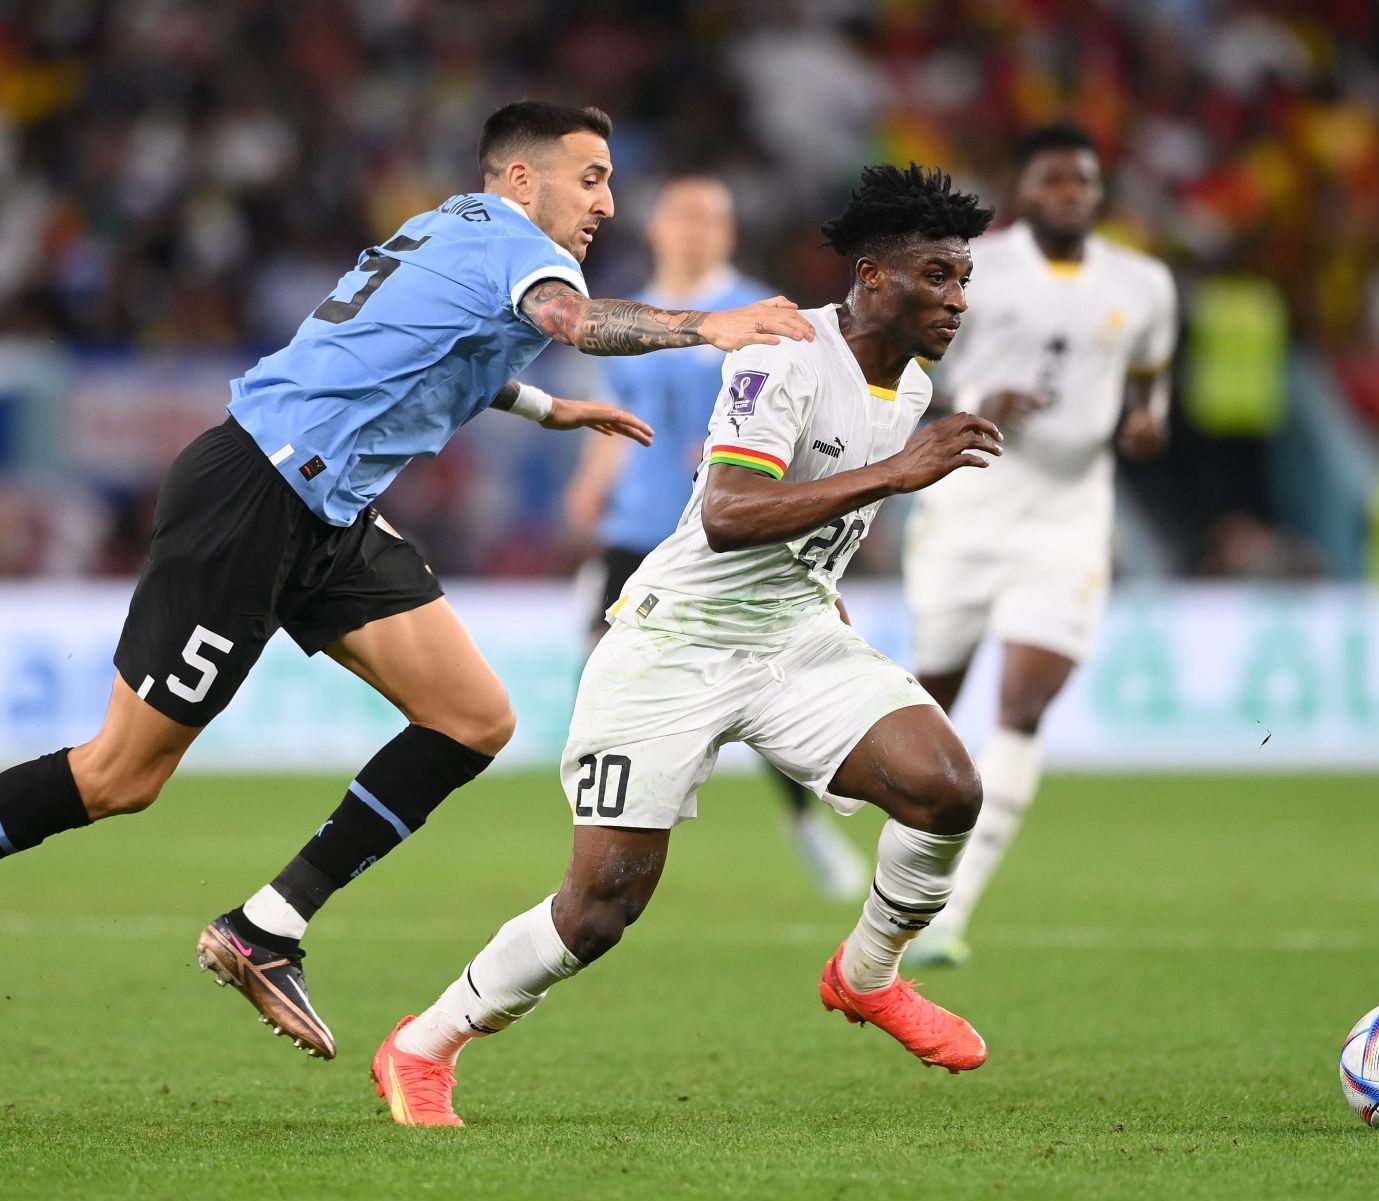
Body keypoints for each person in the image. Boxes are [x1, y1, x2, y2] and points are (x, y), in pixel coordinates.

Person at [0, 102, 815, 1062]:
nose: (606, 203)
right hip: (254, 496)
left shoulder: (452, 231)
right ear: (521, 176)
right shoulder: (525, 252)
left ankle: (264, 927)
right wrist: (711, 324)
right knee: (119, 778)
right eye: (590, 180)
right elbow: (578, 324)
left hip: (325, 510)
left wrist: (553, 413)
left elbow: (432, 351)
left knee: (470, 718)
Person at [369, 164, 1004, 1127]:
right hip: (675, 645)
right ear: (874, 277)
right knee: (599, 909)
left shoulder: (911, 382)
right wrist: (901, 475)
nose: (957, 299)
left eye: (963, 279)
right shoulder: (785, 355)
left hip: (793, 637)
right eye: (938, 277)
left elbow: (816, 524)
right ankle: (423, 1045)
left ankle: (868, 975)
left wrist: (830, 589)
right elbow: (729, 512)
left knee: (947, 787)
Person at [901, 122, 1178, 967]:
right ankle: (902, 874)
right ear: (1024, 189)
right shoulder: (975, 268)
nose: (1071, 193)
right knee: (927, 709)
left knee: (1022, 706)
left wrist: (1147, 424)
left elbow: (1149, 382)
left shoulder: (1143, 282)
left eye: (1083, 181)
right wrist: (982, 392)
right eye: (1054, 179)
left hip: (1069, 515)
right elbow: (920, 368)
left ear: (1098, 192)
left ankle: (952, 912)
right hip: (970, 506)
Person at [562, 173, 869, 900]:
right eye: (684, 215)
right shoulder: (634, 315)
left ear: (728, 234)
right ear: (657, 227)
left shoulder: (760, 311)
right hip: (638, 522)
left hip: (727, 531)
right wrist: (589, 484)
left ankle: (802, 823)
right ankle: (620, 820)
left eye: (712, 218)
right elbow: (615, 411)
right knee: (604, 663)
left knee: (763, 679)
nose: (697, 229)